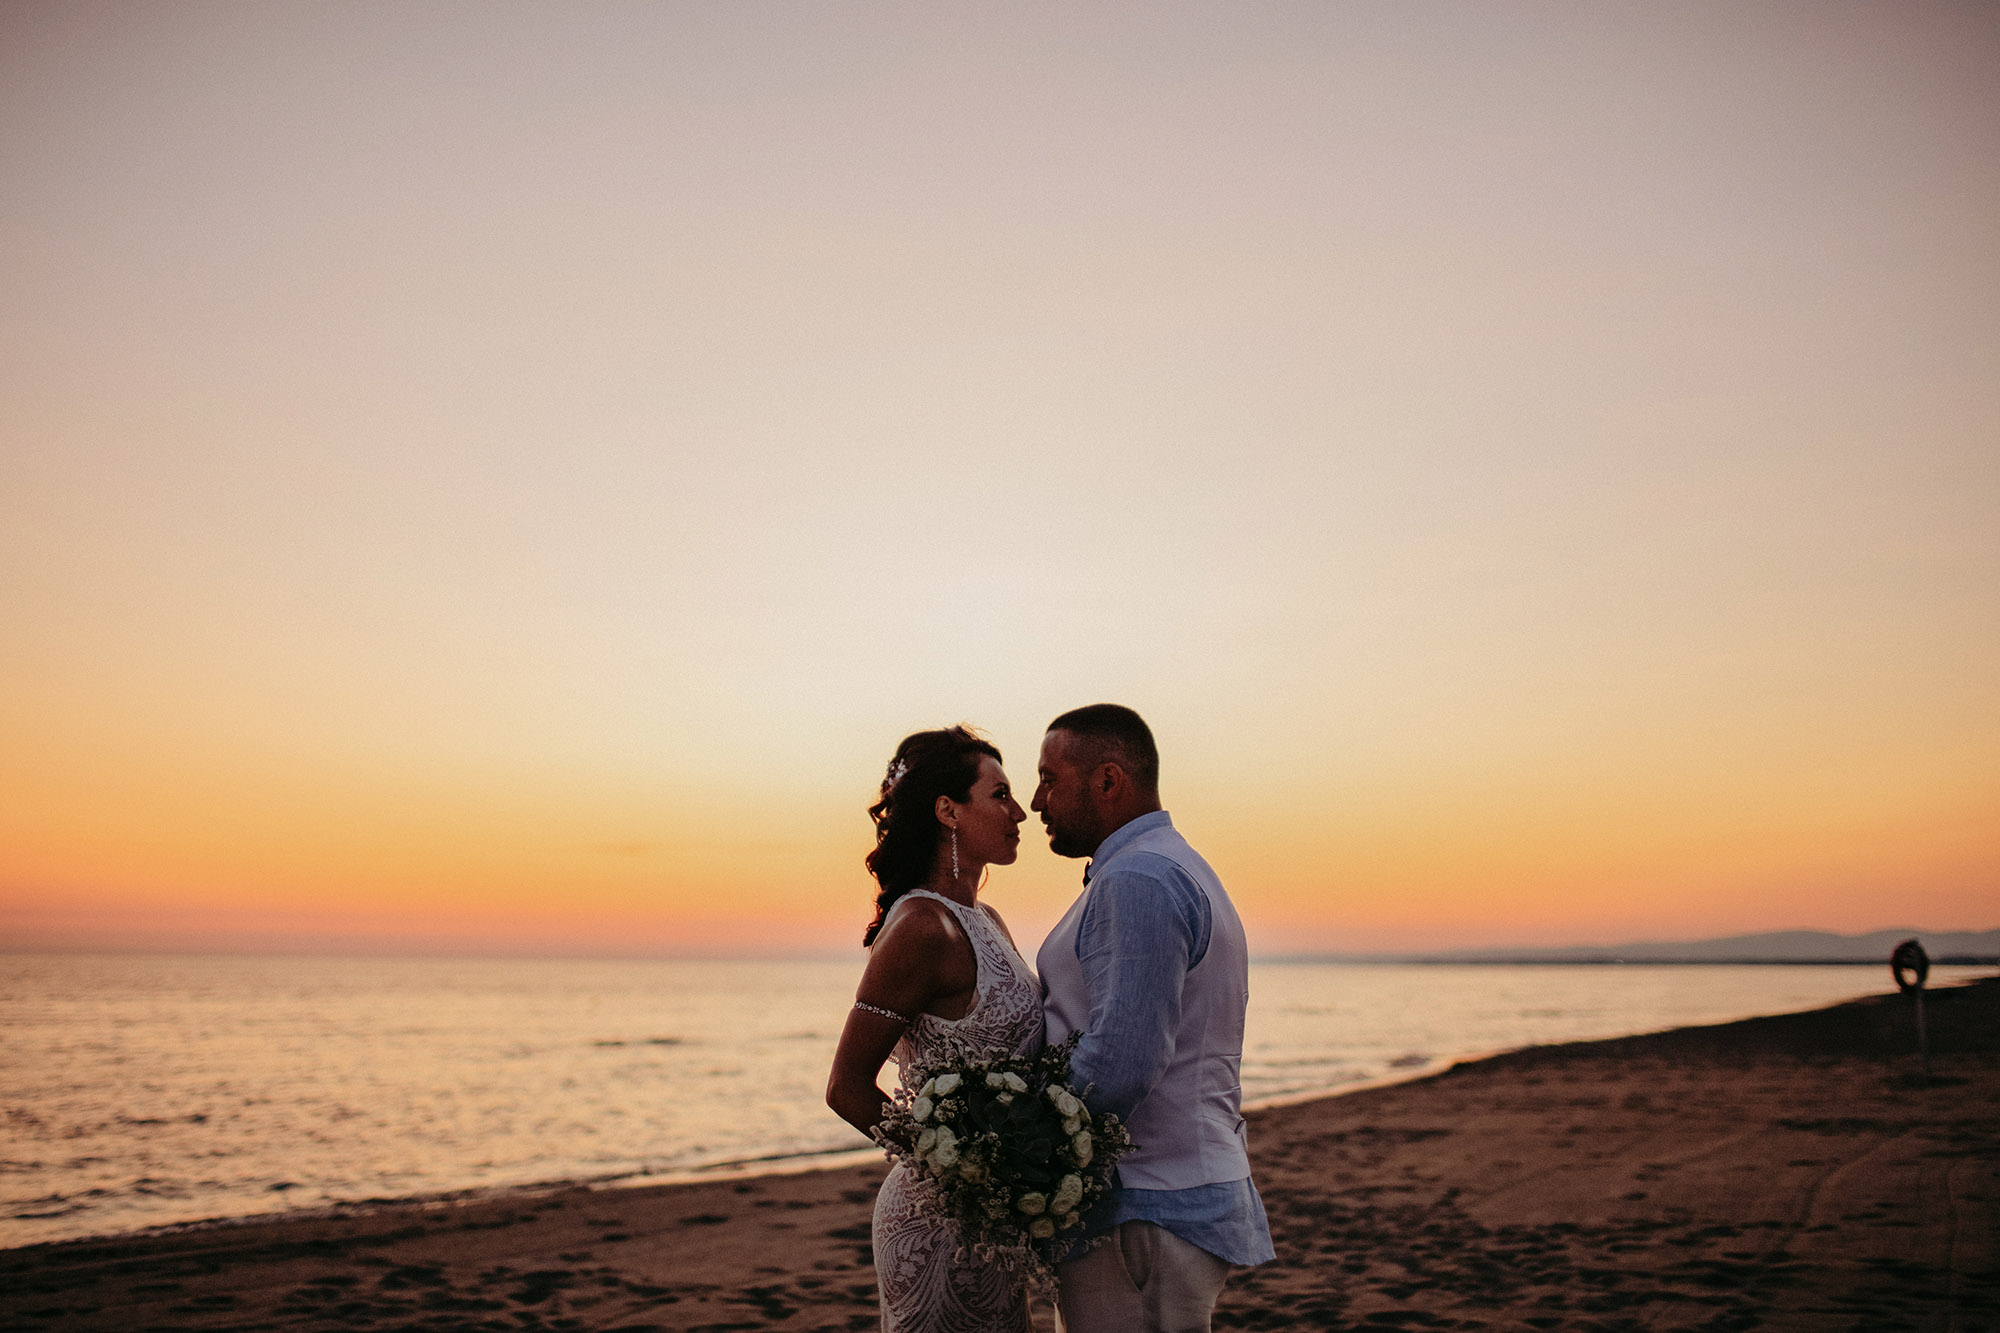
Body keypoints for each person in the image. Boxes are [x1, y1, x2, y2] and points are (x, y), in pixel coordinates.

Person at [1031, 704, 1274, 1333]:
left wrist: (1027, 1149)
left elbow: (1123, 1058)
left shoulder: (1138, 879)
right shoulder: (1170, 865)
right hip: (1166, 1193)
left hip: (1144, 1205)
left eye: (1050, 779)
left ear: (1108, 781)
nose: (1036, 801)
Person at [826, 725, 1042, 1332]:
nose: (1019, 812)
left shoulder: (986, 919)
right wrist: (961, 1171)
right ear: (948, 810)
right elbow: (846, 1088)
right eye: (999, 795)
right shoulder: (921, 926)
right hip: (937, 1221)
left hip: (997, 1223)